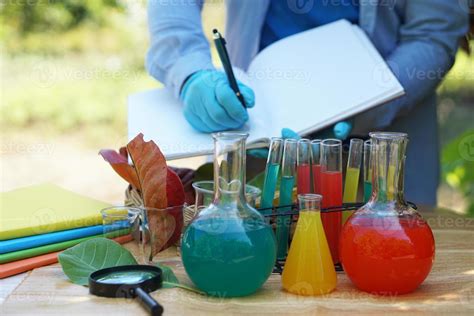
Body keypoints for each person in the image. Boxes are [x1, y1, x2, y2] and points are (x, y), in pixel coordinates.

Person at [145, 0, 469, 206]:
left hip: (384, 136)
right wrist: (188, 72)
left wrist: (373, 103)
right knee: (251, 255)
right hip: (257, 128)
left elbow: (433, 34)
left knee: (386, 263)